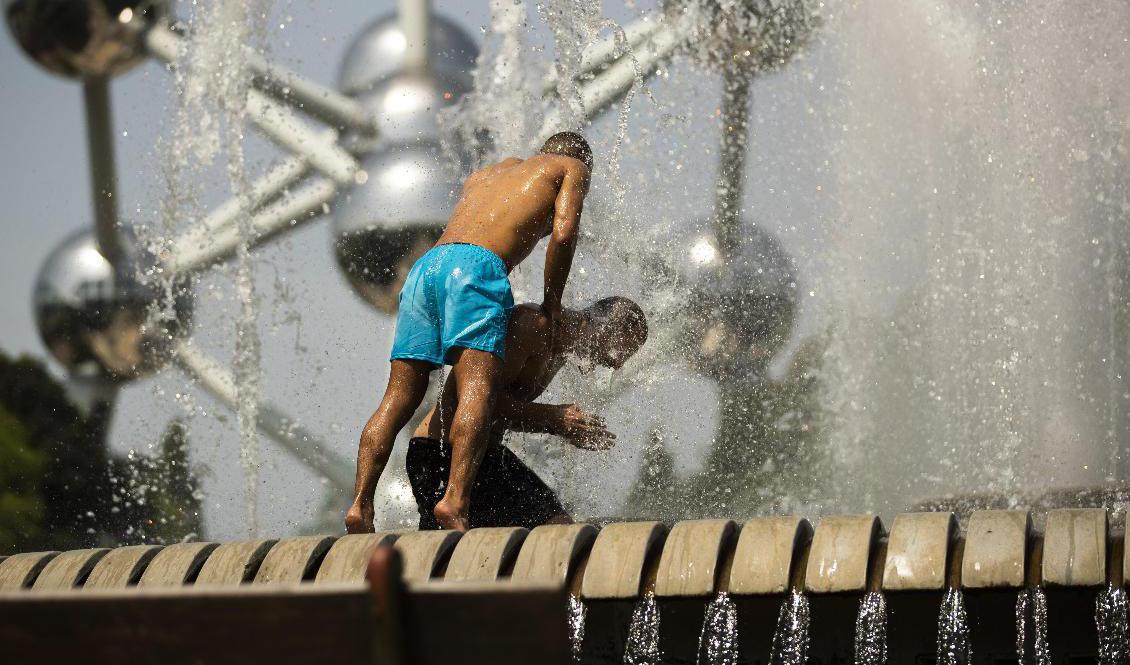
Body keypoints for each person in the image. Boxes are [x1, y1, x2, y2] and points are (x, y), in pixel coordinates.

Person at [345, 132, 594, 533]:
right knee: (477, 386)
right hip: (474, 270)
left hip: (427, 266)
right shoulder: (571, 167)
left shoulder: (489, 174)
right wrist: (552, 302)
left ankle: (360, 505)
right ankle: (456, 501)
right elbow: (563, 234)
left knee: (397, 397)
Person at [407, 297, 648, 529]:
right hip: (441, 454)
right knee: (454, 555)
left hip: (484, 457)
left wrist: (559, 427)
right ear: (601, 326)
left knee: (558, 528)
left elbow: (504, 415)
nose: (616, 365)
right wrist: (554, 418)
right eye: (620, 351)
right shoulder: (532, 325)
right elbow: (479, 401)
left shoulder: (560, 351)